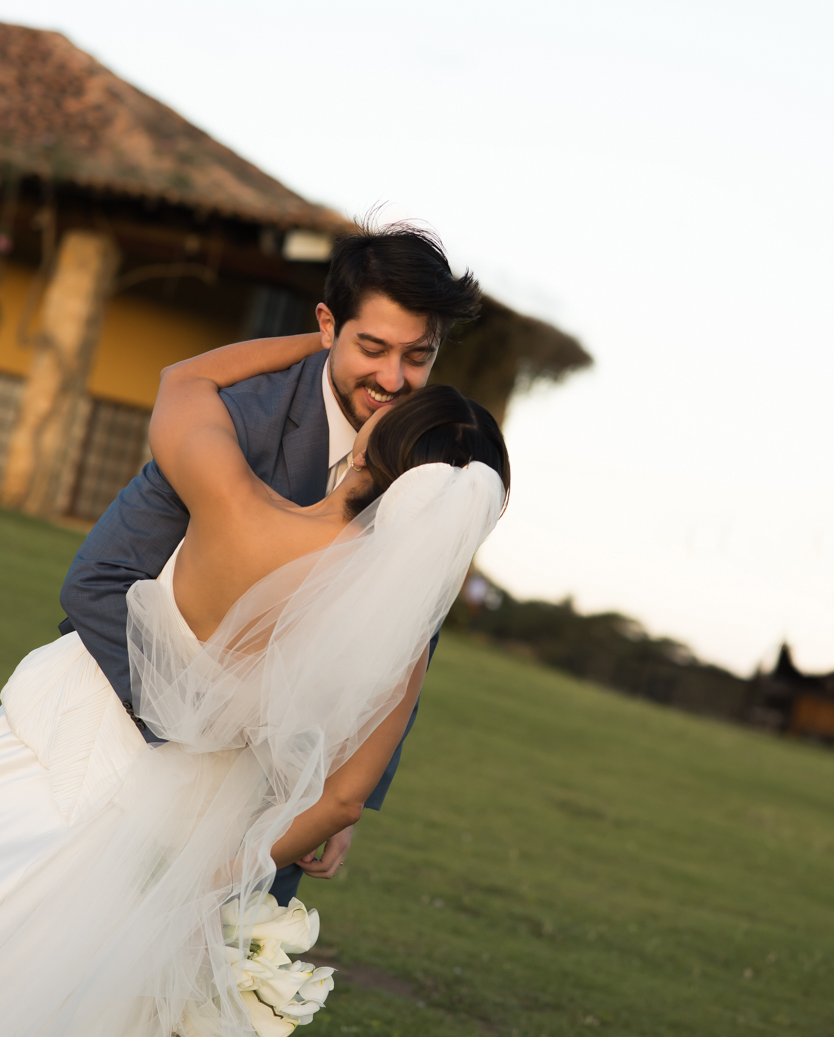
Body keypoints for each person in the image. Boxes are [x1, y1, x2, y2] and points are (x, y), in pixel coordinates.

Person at [0, 327, 510, 1035]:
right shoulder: (402, 643)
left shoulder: (234, 507)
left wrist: (323, 340)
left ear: (368, 449)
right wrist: (220, 875)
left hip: (94, 747)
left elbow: (185, 381)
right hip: (204, 827)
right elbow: (343, 800)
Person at [58, 219, 481, 903]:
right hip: (122, 735)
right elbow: (99, 586)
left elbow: (410, 636)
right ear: (328, 324)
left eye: (419, 356)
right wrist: (197, 731)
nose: (394, 379)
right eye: (371, 347)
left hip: (275, 808)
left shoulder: (430, 462)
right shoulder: (240, 421)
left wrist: (347, 792)